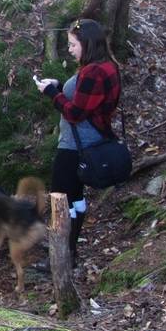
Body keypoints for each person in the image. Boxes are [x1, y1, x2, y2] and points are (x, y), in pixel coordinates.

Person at [34, 18, 121, 266]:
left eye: (73, 45)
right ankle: (69, 250)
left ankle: (61, 255)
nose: (70, 49)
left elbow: (74, 112)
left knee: (60, 199)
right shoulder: (107, 66)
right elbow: (85, 99)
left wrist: (51, 93)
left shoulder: (94, 71)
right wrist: (60, 86)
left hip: (76, 145)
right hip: (90, 140)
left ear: (87, 44)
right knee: (75, 197)